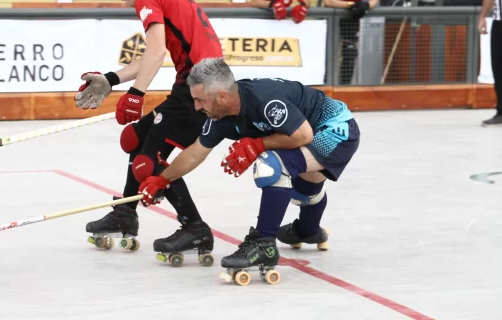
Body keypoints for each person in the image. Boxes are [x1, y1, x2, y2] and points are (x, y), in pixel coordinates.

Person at [138, 58, 360, 284]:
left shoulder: (264, 99)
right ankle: (308, 230)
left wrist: (257, 145)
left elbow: (303, 136)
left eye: (199, 100)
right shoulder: (219, 115)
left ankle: (264, 244)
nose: (196, 107)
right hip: (307, 131)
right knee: (304, 191)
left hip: (335, 128)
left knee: (271, 166)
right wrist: (161, 180)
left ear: (222, 96)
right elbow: (195, 152)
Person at [76, 0, 223, 261]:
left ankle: (194, 226)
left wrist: (136, 95)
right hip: (201, 82)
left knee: (148, 161)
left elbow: (156, 52)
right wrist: (111, 79)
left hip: (198, 87)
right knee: (136, 138)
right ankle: (126, 213)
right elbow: (150, 55)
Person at [322, 0, 380, 85]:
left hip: (352, 19)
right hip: (334, 18)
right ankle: (324, 84)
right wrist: (350, 5)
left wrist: (365, 6)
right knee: (328, 53)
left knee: (350, 52)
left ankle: (345, 86)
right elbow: (327, 0)